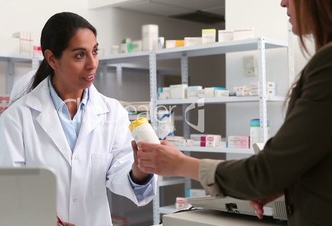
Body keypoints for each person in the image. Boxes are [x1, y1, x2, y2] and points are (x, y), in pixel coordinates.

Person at [133, 0, 332, 225]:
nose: (283, 2)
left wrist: (181, 164)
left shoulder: (327, 63)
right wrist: (289, 187)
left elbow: (265, 171)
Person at [0, 12, 156, 226]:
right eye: (79, 55)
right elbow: (4, 190)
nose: (92, 63)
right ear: (52, 59)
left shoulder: (112, 112)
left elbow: (120, 173)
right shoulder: (18, 117)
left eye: (95, 52)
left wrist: (139, 171)